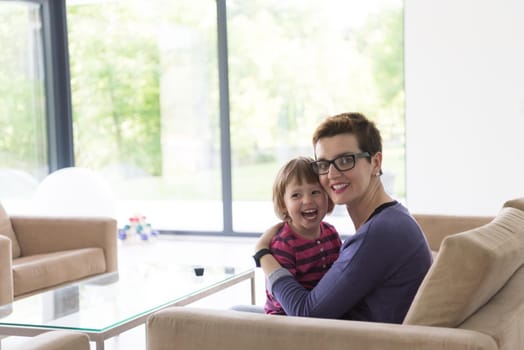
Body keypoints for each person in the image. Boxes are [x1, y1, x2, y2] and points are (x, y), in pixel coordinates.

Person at [253, 112, 433, 323]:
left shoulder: (380, 234)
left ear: (376, 163)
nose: (332, 174)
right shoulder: (394, 217)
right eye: (323, 164)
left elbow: (306, 314)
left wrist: (263, 254)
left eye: (345, 160)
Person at [264, 156, 342, 315]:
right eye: (296, 195)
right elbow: (288, 303)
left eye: (315, 192)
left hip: (323, 313)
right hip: (284, 321)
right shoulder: (284, 244)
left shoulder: (331, 233)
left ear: (328, 196)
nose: (307, 200)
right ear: (283, 204)